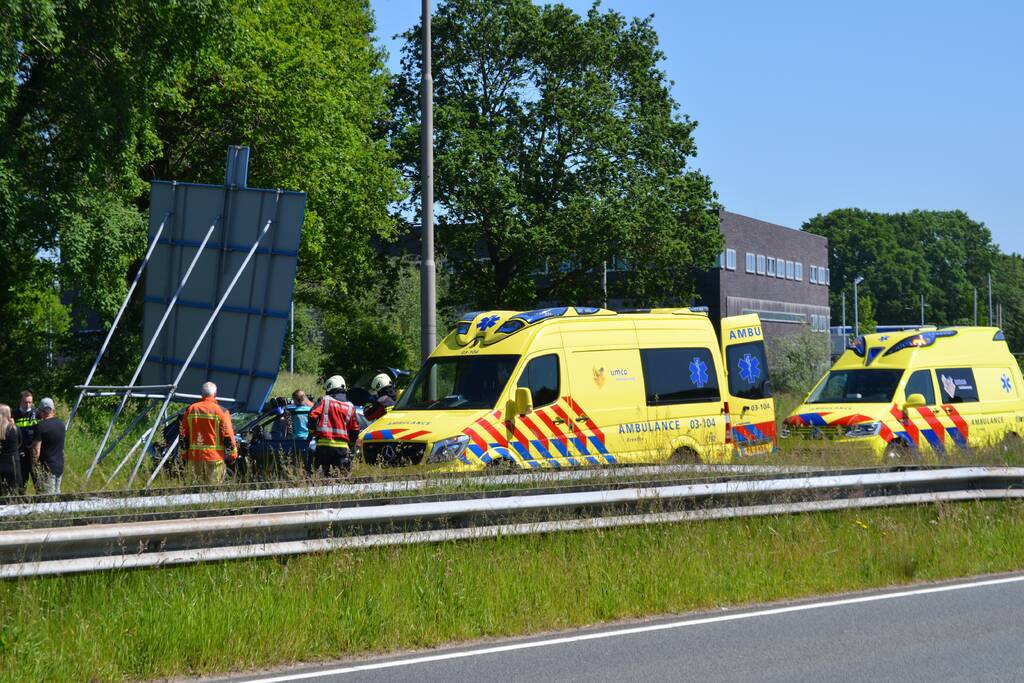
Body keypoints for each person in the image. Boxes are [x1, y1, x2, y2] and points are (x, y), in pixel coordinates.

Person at [179, 381, 237, 484]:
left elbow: (183, 434)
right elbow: (228, 434)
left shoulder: (191, 409)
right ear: (215, 394)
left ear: (201, 394)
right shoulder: (221, 411)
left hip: (194, 459)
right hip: (215, 460)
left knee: (194, 490)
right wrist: (233, 454)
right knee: (213, 490)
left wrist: (184, 454)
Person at [308, 375, 359, 477]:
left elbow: (312, 415)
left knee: (321, 479)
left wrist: (313, 432)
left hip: (324, 447)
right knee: (340, 479)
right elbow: (355, 429)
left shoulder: (324, 400)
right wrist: (351, 444)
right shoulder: (350, 406)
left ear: (330, 387)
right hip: (342, 449)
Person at [32, 397, 65, 494]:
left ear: (42, 411)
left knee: (47, 498)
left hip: (46, 468)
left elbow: (36, 450)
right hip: (59, 466)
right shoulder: (61, 424)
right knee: (57, 495)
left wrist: (34, 465)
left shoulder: (41, 426)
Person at [12, 390, 38, 493]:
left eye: (30, 402)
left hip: (34, 450)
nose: (27, 405)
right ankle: (22, 499)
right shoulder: (14, 414)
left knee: (37, 479)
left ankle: (41, 500)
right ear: (20, 401)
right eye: (25, 402)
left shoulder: (36, 414)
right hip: (20, 450)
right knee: (22, 480)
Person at [0, 404, 21, 494]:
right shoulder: (15, 428)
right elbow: (19, 443)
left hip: (1, 462)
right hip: (13, 462)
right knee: (13, 493)